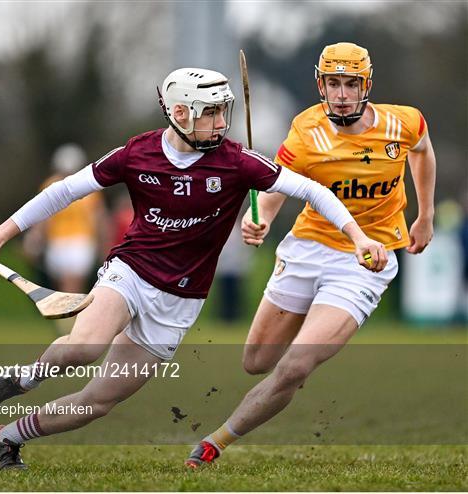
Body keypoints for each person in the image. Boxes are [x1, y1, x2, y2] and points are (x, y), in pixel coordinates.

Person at [0, 67, 386, 470]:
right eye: (211, 113)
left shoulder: (237, 163)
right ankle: (23, 380)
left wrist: (359, 236)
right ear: (180, 112)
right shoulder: (136, 153)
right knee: (83, 348)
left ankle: (8, 437)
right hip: (131, 270)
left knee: (97, 401)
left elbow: (312, 190)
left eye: (224, 111)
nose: (222, 123)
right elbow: (64, 192)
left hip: (181, 301)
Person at [185, 42, 436, 468]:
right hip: (307, 249)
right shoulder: (306, 131)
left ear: (367, 85)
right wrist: (260, 219)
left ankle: (216, 441)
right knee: (256, 361)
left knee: (296, 365)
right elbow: (279, 184)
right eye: (333, 83)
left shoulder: (403, 122)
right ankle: (286, 373)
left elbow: (423, 152)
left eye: (350, 84)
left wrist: (425, 215)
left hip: (364, 263)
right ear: (321, 85)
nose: (341, 94)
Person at [22, 144, 108, 334]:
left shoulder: (90, 188)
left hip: (81, 242)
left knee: (72, 283)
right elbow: (43, 215)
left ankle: (70, 327)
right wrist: (35, 238)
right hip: (57, 243)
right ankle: (71, 323)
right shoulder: (50, 185)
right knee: (63, 284)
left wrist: (104, 246)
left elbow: (98, 219)